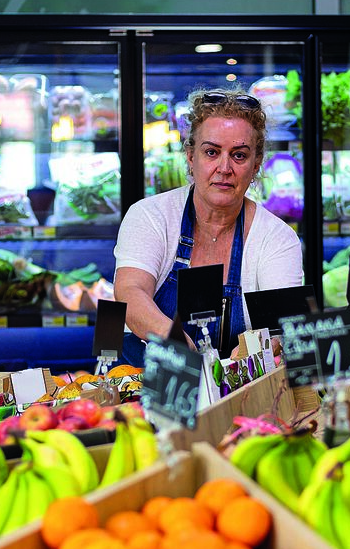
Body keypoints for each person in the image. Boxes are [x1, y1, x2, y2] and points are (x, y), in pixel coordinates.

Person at [113, 88, 304, 366]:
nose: (224, 168)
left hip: (238, 389)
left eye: (239, 155)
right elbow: (130, 292)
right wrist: (179, 345)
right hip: (147, 383)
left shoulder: (277, 238)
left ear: (256, 165)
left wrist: (249, 353)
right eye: (212, 152)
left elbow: (280, 327)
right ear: (191, 158)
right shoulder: (150, 215)